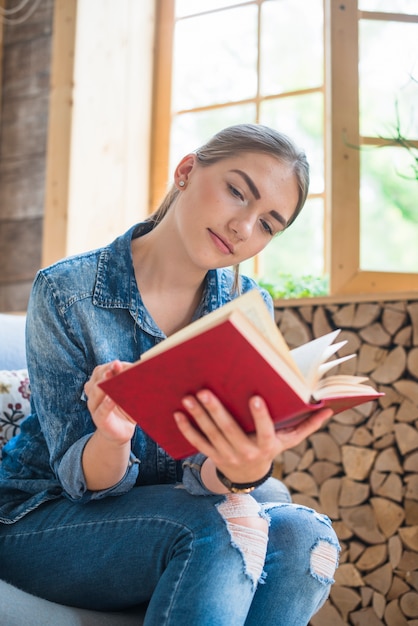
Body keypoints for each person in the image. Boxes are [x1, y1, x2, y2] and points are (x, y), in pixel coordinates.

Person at [0, 124, 340, 625]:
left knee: (307, 540)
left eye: (268, 223)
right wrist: (114, 438)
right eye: (236, 192)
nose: (244, 227)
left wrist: (241, 468)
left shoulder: (249, 309)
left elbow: (204, 475)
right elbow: (83, 483)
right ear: (186, 171)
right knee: (216, 527)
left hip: (183, 504)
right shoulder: (66, 293)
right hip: (44, 517)